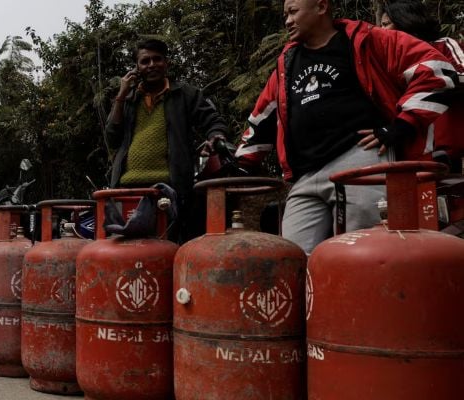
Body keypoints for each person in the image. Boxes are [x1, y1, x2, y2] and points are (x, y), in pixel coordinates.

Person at [236, 0, 456, 254]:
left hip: (361, 161)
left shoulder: (367, 40)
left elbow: (437, 70)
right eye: (285, 14)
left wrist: (401, 125)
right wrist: (242, 162)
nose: (287, 21)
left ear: (321, 7)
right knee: (293, 258)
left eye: (293, 12)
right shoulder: (287, 61)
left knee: (367, 252)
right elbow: (262, 115)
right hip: (305, 174)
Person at [106, 39, 228, 242]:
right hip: (127, 188)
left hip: (169, 187)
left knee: (167, 245)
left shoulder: (184, 95)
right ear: (137, 68)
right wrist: (121, 95)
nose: (152, 65)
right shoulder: (128, 100)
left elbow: (213, 120)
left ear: (167, 63)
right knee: (127, 249)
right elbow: (112, 136)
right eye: (145, 61)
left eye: (157, 59)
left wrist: (216, 136)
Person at [380, 0, 464, 172]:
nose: (381, 31)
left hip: (444, 145)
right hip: (405, 144)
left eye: (386, 24)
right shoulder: (386, 61)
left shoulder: (443, 45)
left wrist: (431, 77)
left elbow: (461, 76)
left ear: (404, 21)